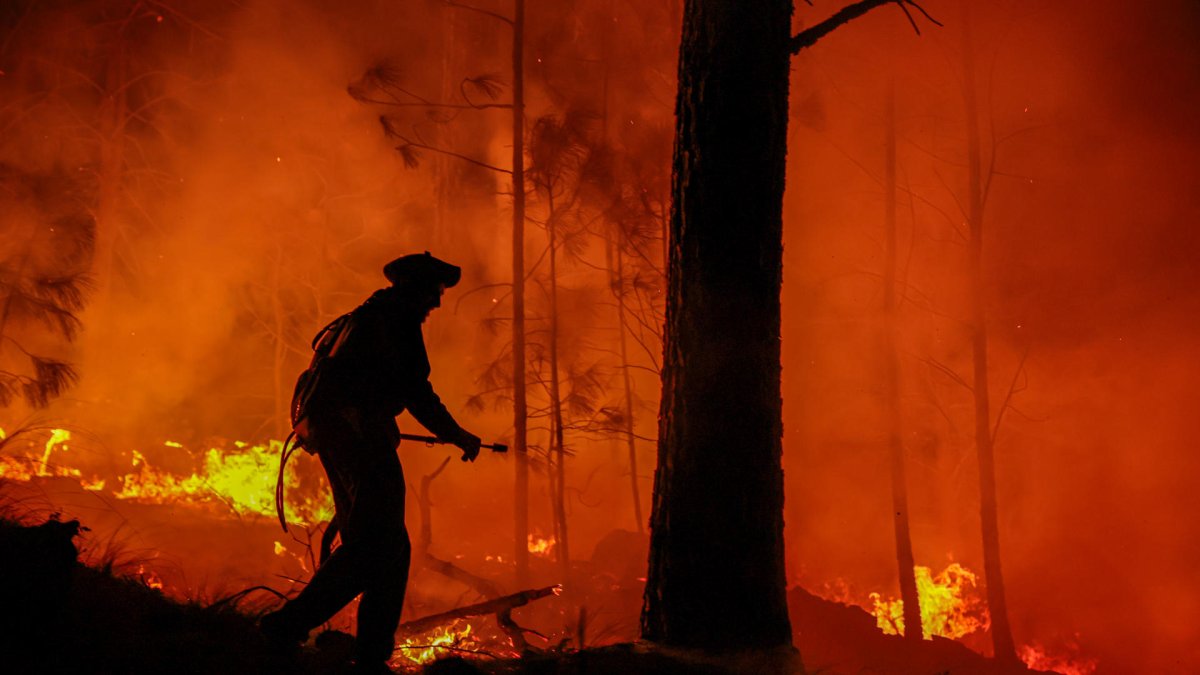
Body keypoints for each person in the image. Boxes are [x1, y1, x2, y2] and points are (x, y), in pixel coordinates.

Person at [260, 252, 481, 672]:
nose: (436, 303)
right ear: (414, 289)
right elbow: (417, 393)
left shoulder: (365, 318)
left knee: (390, 547)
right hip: (359, 443)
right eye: (433, 292)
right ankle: (285, 628)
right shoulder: (394, 322)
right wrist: (457, 435)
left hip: (345, 439)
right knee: (374, 547)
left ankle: (371, 654)